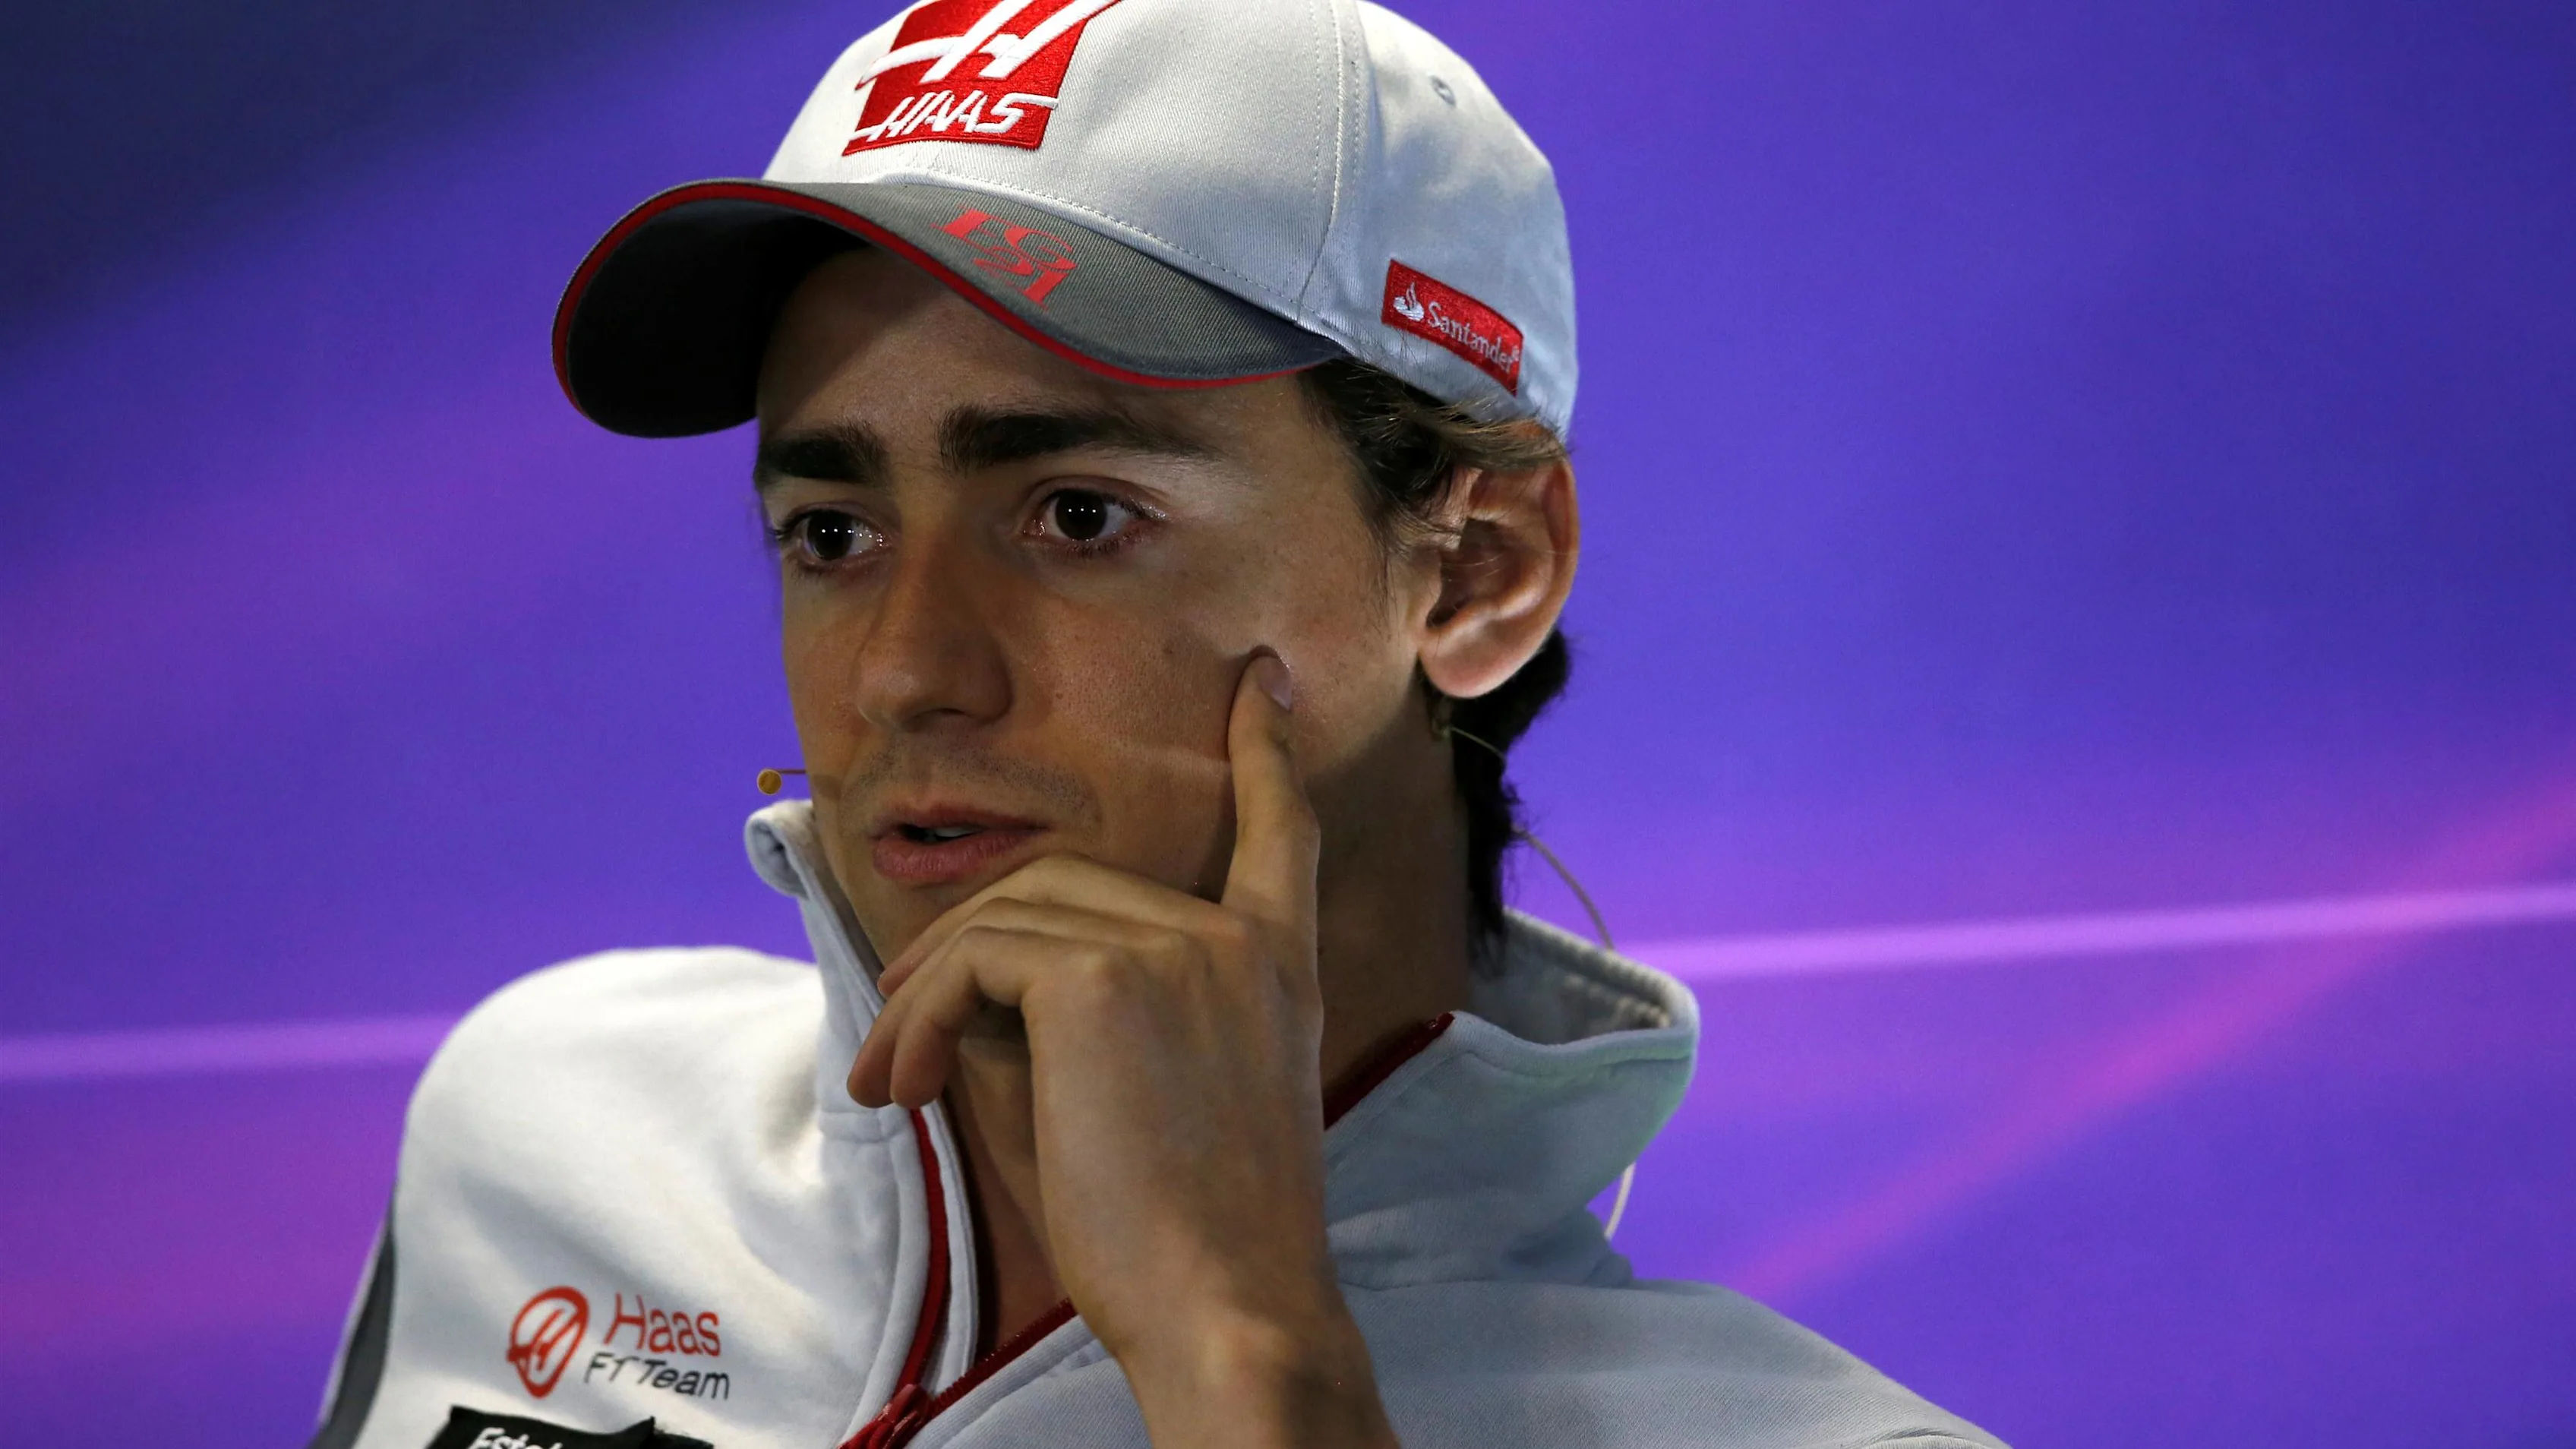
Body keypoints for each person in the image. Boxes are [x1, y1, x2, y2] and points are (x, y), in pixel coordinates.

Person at [310, 2, 2005, 1447]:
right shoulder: (550, 1115)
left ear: (1479, 572)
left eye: (1077, 516)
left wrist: (1246, 1364)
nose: (907, 672)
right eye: (833, 533)